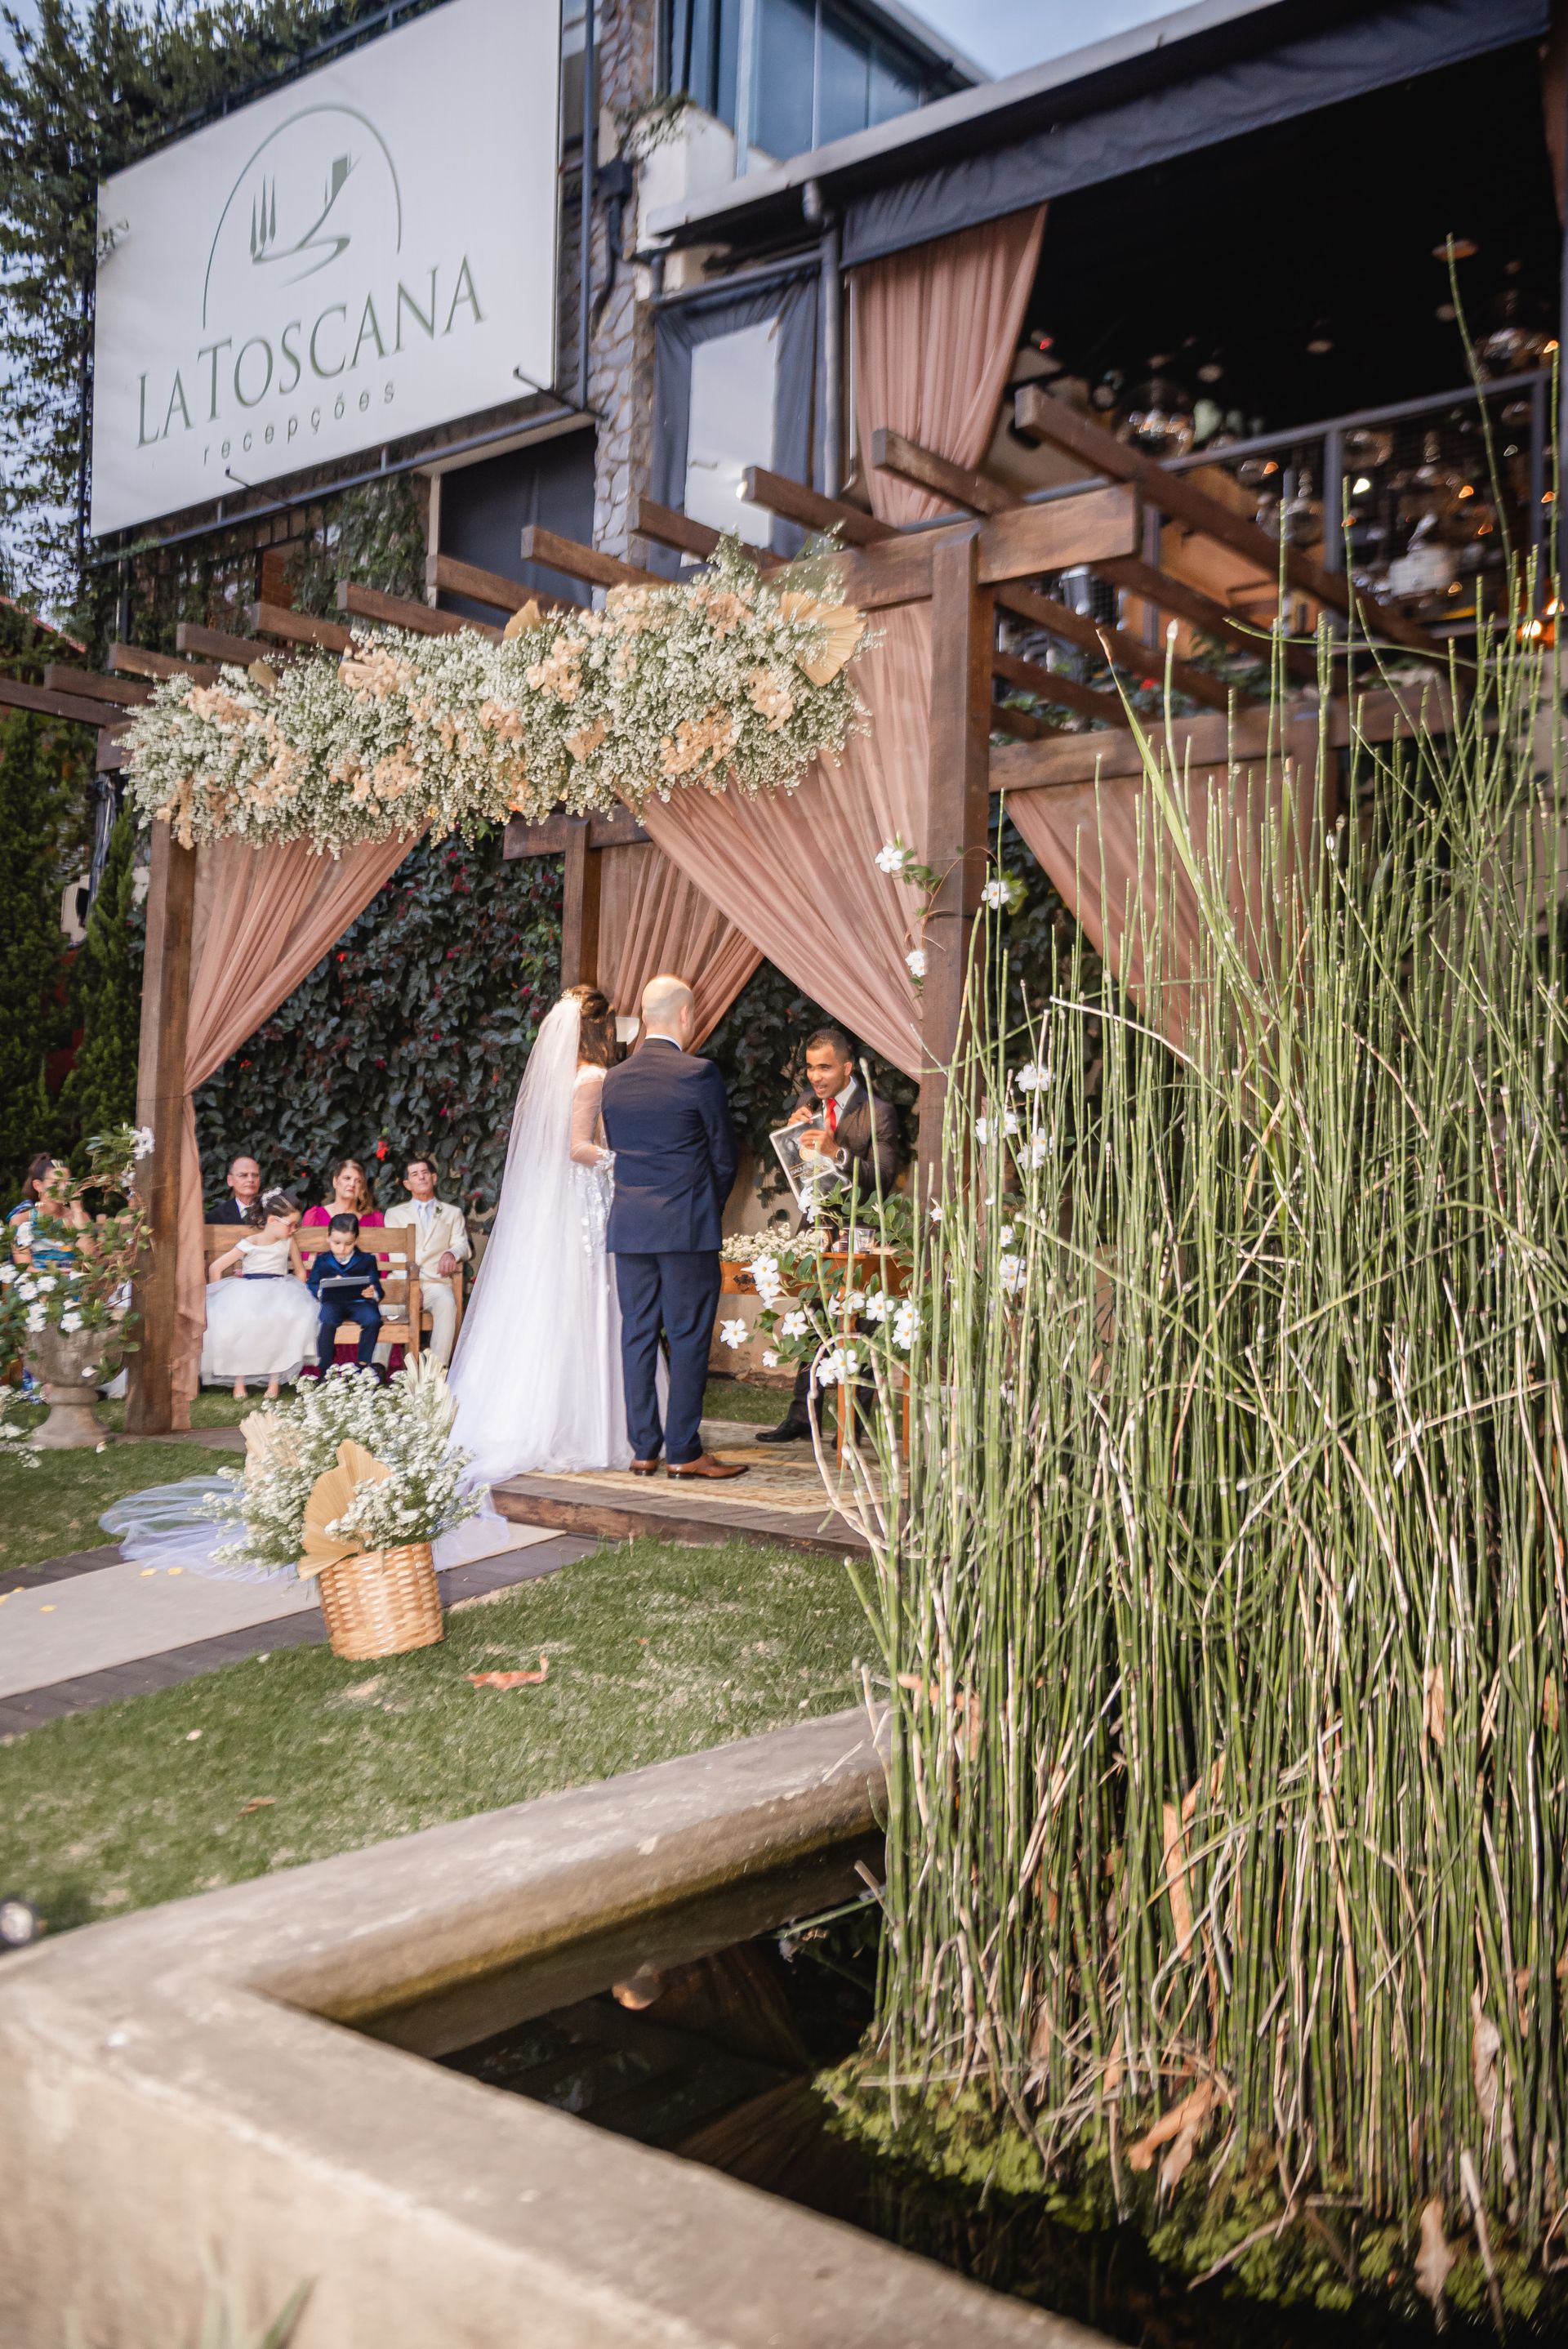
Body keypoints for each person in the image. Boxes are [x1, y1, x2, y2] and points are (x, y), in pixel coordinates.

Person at [447, 983, 631, 1479]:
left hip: (557, 1199)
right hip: (582, 1197)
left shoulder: (559, 1079)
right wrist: (625, 1159)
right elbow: (578, 1147)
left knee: (552, 1300)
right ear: (598, 1029)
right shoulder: (592, 1076)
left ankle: (527, 1415)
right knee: (586, 1297)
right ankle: (584, 1427)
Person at [599, 973, 746, 1482]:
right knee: (686, 1336)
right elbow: (723, 1155)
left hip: (631, 1225)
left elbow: (619, 1148)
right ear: (686, 1016)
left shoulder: (613, 1079)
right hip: (685, 1224)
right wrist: (708, 1205)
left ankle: (643, 1449)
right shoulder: (698, 1073)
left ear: (643, 1018)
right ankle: (683, 1451)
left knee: (636, 1334)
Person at [757, 1026, 903, 1446]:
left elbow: (882, 1179)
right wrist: (790, 1138)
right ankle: (802, 1417)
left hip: (862, 1234)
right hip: (816, 1228)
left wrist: (836, 1152)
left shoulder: (878, 1111)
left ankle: (852, 1426)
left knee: (858, 1332)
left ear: (846, 1066)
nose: (815, 1077)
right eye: (809, 1068)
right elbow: (798, 1174)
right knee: (810, 1326)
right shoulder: (807, 1104)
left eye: (824, 1068)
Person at [200, 1189, 318, 1400]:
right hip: (249, 1291)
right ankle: (239, 1381)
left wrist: (297, 1291)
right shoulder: (251, 1242)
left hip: (280, 1290)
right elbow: (217, 1267)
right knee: (243, 1322)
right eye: (291, 1224)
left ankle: (274, 1383)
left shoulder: (288, 1243)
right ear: (272, 1220)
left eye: (296, 1225)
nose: (294, 1230)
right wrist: (220, 1297)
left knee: (280, 1320)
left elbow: (300, 1271)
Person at [383, 1155, 470, 1367]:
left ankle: (437, 1371)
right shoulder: (394, 1214)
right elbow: (395, 1254)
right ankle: (376, 1370)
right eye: (415, 1174)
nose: (421, 1177)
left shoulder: (452, 1212)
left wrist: (451, 1253)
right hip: (403, 1281)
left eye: (425, 1173)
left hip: (435, 1283)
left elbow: (463, 1244)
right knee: (385, 1308)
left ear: (434, 1177)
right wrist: (411, 1285)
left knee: (447, 1303)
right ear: (407, 1183)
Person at [305, 1213, 385, 1375]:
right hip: (332, 1303)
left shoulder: (367, 1260)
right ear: (328, 1238)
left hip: (360, 1303)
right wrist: (323, 1290)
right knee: (326, 1321)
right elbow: (312, 1284)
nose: (342, 1249)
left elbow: (377, 1287)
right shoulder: (322, 1261)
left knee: (373, 1320)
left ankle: (363, 1366)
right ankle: (325, 1369)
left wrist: (373, 1292)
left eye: (348, 1244)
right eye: (337, 1243)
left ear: (356, 1240)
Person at [7, 1155, 87, 1271]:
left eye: (67, 1183)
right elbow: (25, 1267)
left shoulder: (80, 1217)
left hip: (77, 1284)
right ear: (38, 1186)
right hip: (39, 1285)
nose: (63, 1188)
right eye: (56, 1183)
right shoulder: (21, 1220)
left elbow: (88, 1260)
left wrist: (77, 1210)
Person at [301, 1158, 385, 1232]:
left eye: (358, 1181)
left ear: (362, 1187)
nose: (352, 1184)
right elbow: (304, 1248)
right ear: (335, 1181)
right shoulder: (314, 1216)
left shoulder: (375, 1220)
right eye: (347, 1178)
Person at [209, 1154, 263, 1225]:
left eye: (255, 1175)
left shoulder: (274, 1211)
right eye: (243, 1175)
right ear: (230, 1180)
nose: (251, 1180)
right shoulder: (215, 1217)